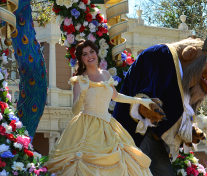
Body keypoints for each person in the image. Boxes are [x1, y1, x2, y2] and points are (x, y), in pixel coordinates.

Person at [45, 40, 154, 176]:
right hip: (86, 127)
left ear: (96, 53)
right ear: (81, 59)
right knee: (81, 162)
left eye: (91, 52)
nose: (90, 56)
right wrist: (83, 92)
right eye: (85, 54)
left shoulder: (106, 74)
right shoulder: (80, 80)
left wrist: (140, 101)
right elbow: (75, 111)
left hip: (108, 126)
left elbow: (116, 96)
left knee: (124, 159)